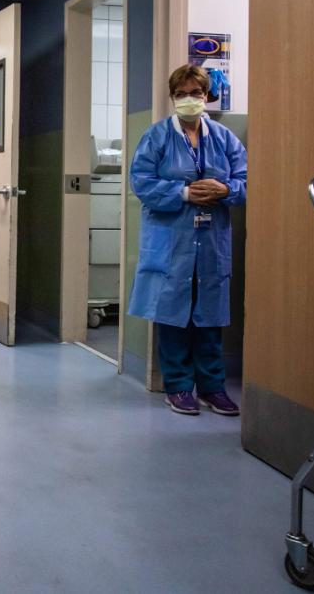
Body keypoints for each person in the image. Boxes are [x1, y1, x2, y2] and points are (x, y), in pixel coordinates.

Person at [127, 65, 248, 416]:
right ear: (172, 98)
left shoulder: (225, 139)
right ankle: (178, 386)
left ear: (207, 97)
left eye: (196, 93)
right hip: (170, 240)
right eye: (181, 94)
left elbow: (246, 181)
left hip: (212, 241)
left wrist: (225, 189)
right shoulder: (157, 137)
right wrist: (183, 193)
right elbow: (142, 182)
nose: (189, 100)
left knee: (209, 315)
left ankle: (213, 387)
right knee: (172, 312)